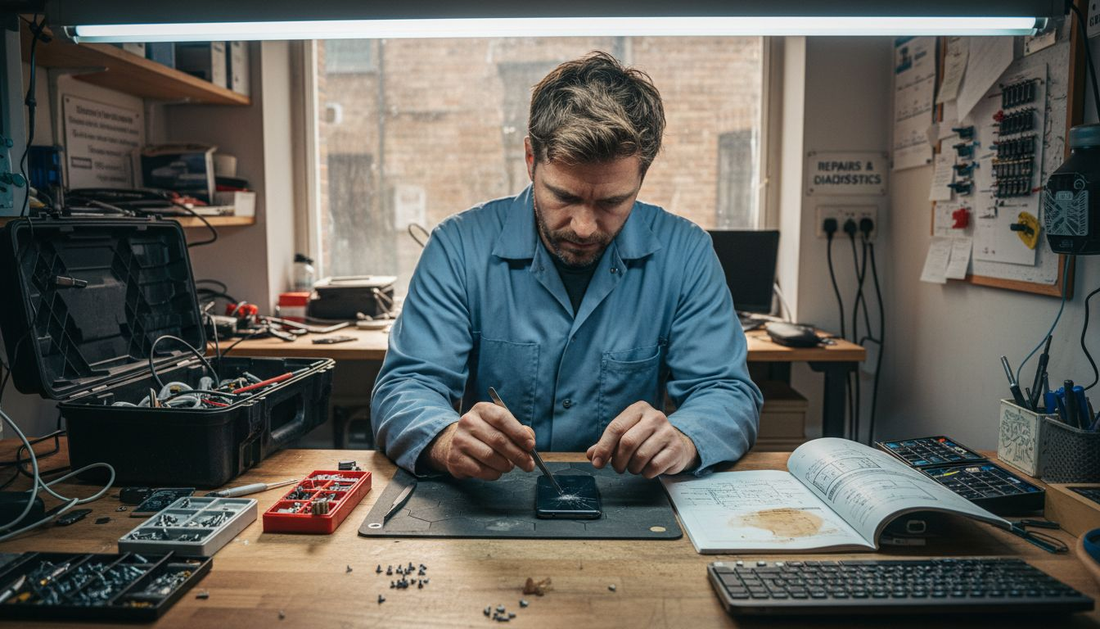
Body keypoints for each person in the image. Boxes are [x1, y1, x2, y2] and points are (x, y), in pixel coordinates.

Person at [371, 51, 761, 481]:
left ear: (641, 177)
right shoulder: (458, 247)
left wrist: (686, 438)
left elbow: (726, 391)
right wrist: (445, 439)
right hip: (490, 503)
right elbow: (405, 387)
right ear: (530, 159)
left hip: (629, 505)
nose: (584, 227)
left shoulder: (685, 253)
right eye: (565, 196)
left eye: (612, 202)